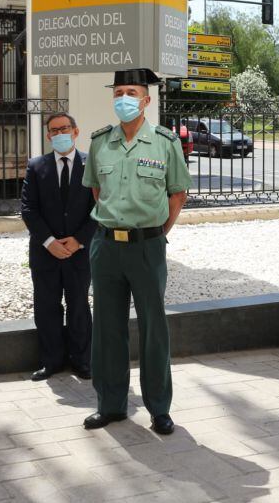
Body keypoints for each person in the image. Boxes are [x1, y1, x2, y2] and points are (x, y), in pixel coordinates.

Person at [81, 69, 190, 435]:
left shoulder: (165, 142)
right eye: (119, 92)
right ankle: (110, 405)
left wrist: (156, 232)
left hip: (147, 247)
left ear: (146, 100)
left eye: (131, 92)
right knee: (107, 330)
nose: (123, 98)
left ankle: (159, 407)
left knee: (153, 328)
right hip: (107, 246)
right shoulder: (100, 142)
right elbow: (96, 191)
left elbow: (177, 195)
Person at [20, 113, 98, 381]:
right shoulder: (36, 166)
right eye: (54, 130)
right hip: (45, 253)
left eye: (65, 128)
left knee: (78, 306)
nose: (60, 133)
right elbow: (29, 209)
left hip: (80, 252)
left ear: (76, 132)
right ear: (48, 136)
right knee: (46, 306)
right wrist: (49, 241)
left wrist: (79, 240)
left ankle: (82, 360)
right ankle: (50, 361)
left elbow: (99, 207)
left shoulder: (92, 165)